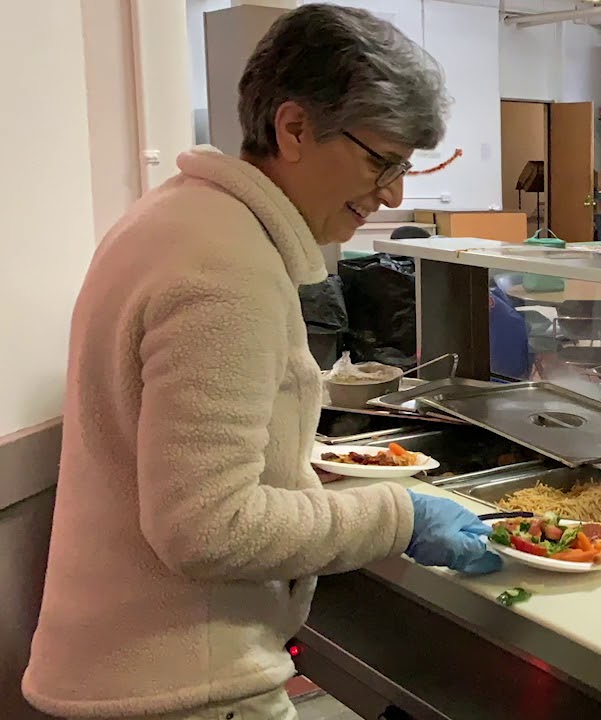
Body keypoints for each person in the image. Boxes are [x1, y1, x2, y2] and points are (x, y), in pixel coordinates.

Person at [24, 6, 498, 720]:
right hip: (183, 687)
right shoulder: (227, 266)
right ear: (295, 128)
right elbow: (207, 528)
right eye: (382, 162)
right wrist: (399, 517)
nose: (395, 193)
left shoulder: (177, 218)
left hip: (128, 670)